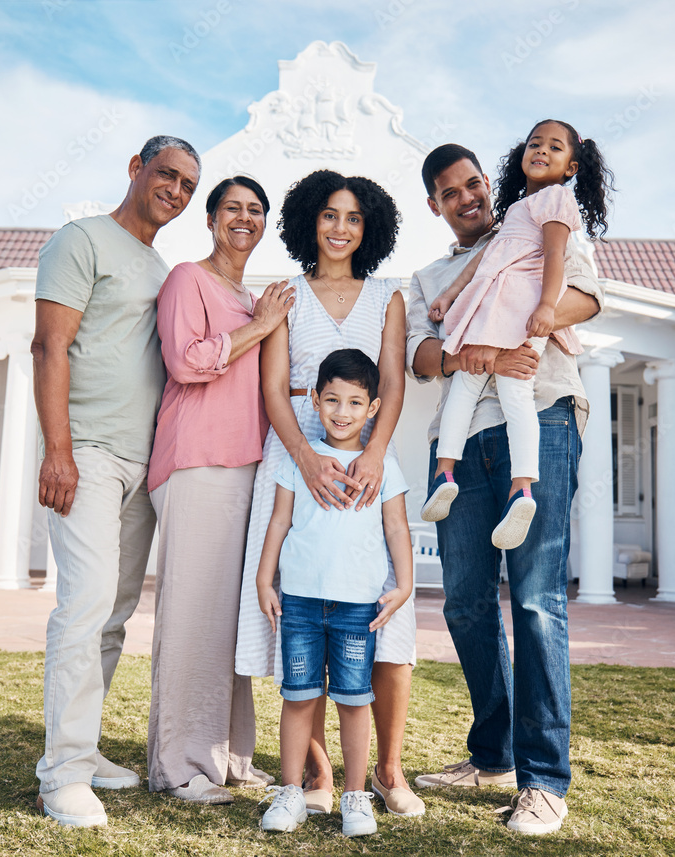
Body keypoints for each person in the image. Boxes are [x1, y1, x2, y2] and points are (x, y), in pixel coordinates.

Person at [406, 140, 604, 835]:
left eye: (474, 183)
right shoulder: (428, 276)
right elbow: (418, 356)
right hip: (460, 445)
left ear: (487, 185)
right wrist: (470, 353)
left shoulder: (536, 222)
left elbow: (584, 294)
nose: (469, 197)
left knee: (537, 600)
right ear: (436, 204)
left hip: (541, 414)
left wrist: (535, 322)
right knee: (464, 603)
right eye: (451, 192)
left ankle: (543, 779)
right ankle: (491, 754)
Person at [235, 170, 424, 818]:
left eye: (353, 217)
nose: (340, 228)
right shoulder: (286, 293)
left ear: (369, 227)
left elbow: (393, 384)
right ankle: (314, 773)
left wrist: (372, 452)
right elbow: (273, 386)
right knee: (301, 622)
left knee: (380, 623)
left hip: (366, 465)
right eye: (329, 215)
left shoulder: (387, 298)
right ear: (309, 220)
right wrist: (307, 456)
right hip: (295, 459)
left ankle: (386, 771)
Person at [32, 135, 201, 827]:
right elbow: (49, 344)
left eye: (189, 184)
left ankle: (87, 746)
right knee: (85, 602)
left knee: (113, 612)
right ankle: (63, 773)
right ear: (136, 169)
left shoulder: (163, 268)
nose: (177, 190)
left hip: (144, 464)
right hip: (88, 454)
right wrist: (59, 450)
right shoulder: (81, 240)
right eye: (167, 174)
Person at [147, 176, 295, 803]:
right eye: (232, 208)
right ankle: (181, 766)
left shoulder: (253, 297)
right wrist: (261, 328)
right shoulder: (189, 278)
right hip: (197, 464)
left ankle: (230, 758)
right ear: (210, 219)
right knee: (193, 621)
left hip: (247, 470)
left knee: (231, 622)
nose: (244, 218)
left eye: (255, 210)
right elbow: (187, 361)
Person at [422, 120, 613, 553]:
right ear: (434, 205)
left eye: (554, 147)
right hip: (483, 327)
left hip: (523, 345)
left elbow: (566, 273)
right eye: (535, 143)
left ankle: (503, 484)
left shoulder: (557, 201)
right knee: (465, 397)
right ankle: (457, 478)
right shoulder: (513, 215)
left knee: (513, 399)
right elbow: (482, 264)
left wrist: (540, 311)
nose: (542, 150)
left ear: (572, 166)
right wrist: (449, 294)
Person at [256, 349, 413, 838]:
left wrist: (405, 585)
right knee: (299, 697)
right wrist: (265, 579)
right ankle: (289, 793)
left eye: (353, 402)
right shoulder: (297, 462)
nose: (341, 412)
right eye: (331, 400)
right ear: (313, 399)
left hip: (356, 607)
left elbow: (396, 527)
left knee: (353, 699)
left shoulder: (383, 464)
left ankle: (355, 797)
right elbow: (279, 520)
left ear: (372, 408)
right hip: (300, 603)